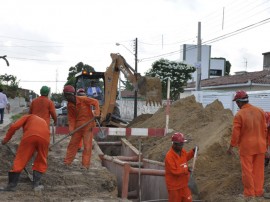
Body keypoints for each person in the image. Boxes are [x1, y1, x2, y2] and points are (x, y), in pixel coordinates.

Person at [227, 90, 269, 199]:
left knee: (247, 171)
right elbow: (265, 129)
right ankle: (258, 191)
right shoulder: (260, 111)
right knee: (259, 171)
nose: (236, 104)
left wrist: (231, 146)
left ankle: (250, 194)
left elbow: (236, 133)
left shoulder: (239, 114)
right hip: (260, 146)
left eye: (236, 102)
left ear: (239, 102)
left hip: (247, 148)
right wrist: (266, 145)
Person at [1, 114, 50, 191]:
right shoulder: (42, 121)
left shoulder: (27, 117)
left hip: (30, 136)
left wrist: (6, 139)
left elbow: (14, 127)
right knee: (41, 159)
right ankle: (36, 185)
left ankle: (11, 185)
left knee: (20, 159)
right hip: (45, 138)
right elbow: (39, 137)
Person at [63, 85, 100, 169]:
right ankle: (67, 162)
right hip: (78, 127)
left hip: (88, 125)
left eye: (67, 95)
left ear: (72, 94)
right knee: (72, 144)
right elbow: (71, 118)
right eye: (65, 95)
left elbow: (96, 102)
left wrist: (97, 114)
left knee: (87, 146)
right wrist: (71, 129)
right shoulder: (69, 105)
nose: (67, 97)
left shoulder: (83, 99)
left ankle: (85, 165)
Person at [165, 132, 195, 202]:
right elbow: (174, 171)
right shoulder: (169, 156)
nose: (182, 146)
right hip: (174, 188)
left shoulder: (182, 151)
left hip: (184, 184)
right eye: (180, 145)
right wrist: (186, 169)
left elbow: (186, 157)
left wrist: (193, 152)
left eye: (182, 144)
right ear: (174, 144)